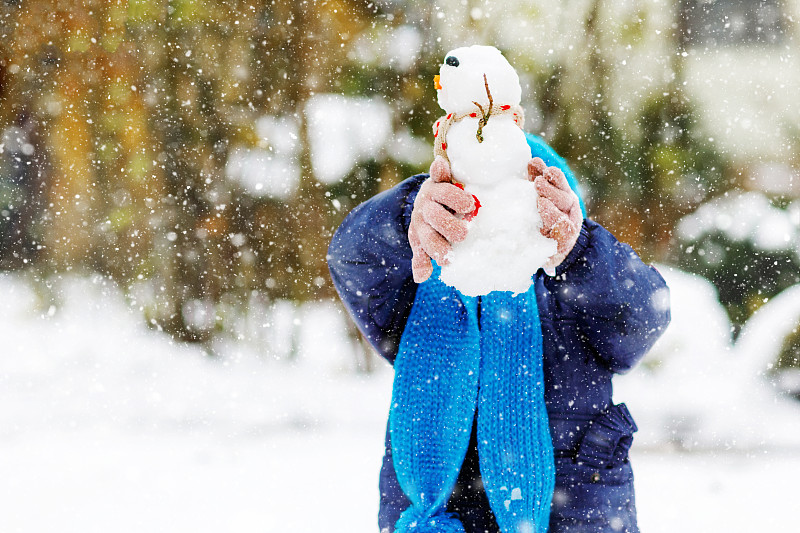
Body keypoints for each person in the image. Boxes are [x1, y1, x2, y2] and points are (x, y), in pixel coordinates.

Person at [327, 133, 670, 533]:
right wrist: (409, 216)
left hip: (574, 517)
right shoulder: (425, 281)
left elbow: (644, 316)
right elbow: (353, 258)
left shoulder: (574, 286)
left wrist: (579, 252)